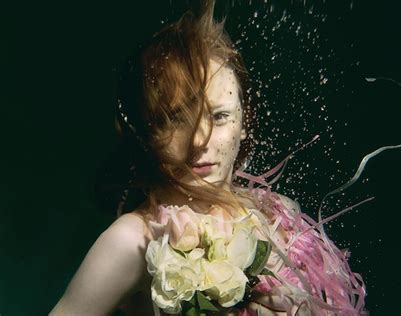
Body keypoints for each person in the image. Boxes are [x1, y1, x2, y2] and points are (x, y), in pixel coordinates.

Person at [50, 1, 366, 315]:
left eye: (219, 116)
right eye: (175, 119)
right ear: (147, 130)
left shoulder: (278, 215)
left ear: (245, 122)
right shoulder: (133, 239)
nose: (199, 140)